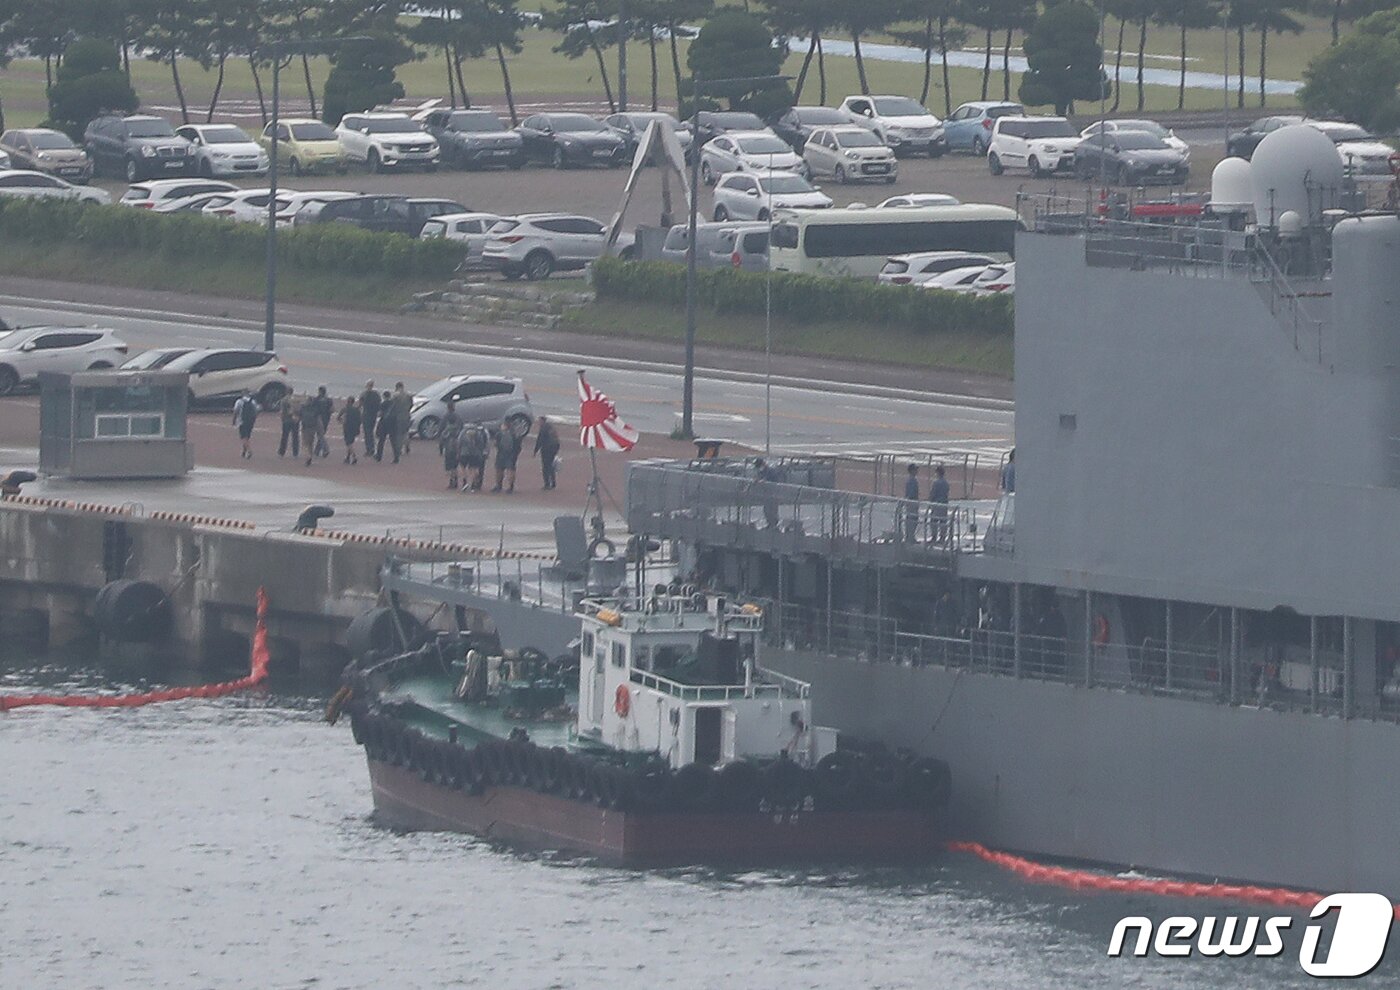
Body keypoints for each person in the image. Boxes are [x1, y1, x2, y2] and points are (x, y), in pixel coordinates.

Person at [490, 420, 521, 493]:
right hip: (512, 454)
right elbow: (518, 446)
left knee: (499, 470)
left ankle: (498, 485)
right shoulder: (515, 434)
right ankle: (510, 486)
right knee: (511, 470)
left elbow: (495, 444)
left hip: (501, 454)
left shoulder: (499, 434)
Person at [439, 400, 464, 489]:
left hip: (448, 445)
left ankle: (452, 481)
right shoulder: (458, 418)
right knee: (455, 464)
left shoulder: (445, 417)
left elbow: (441, 432)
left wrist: (440, 448)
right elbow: (462, 430)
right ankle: (456, 481)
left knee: (449, 464)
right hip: (457, 444)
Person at [458, 421, 488, 491]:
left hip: (464, 453)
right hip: (475, 453)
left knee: (462, 467)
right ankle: (473, 484)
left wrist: (459, 452)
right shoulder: (478, 433)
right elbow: (482, 444)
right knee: (474, 469)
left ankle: (465, 481)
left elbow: (459, 442)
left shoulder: (463, 432)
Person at [533, 416, 560, 490]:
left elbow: (540, 440)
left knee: (545, 466)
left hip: (547, 449)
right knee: (550, 465)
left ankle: (547, 484)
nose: (538, 423)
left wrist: (535, 450)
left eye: (539, 421)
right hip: (554, 447)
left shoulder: (543, 428)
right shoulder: (551, 427)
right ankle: (553, 482)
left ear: (542, 421)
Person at [232, 391, 260, 459]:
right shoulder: (252, 401)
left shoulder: (239, 401)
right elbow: (257, 410)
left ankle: (249, 450)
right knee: (247, 436)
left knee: (243, 437)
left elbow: (235, 411)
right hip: (250, 422)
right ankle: (244, 451)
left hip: (242, 421)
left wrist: (234, 420)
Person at [754, 457, 780, 529]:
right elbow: (759, 479)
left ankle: (774, 524)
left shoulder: (770, 470)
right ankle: (769, 523)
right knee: (766, 510)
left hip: (773, 493)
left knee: (773, 509)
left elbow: (773, 480)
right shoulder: (760, 472)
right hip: (766, 494)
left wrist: (764, 481)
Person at [928, 464, 950, 546]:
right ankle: (942, 537)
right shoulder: (946, 483)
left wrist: (930, 501)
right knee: (943, 521)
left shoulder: (936, 483)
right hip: (944, 504)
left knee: (933, 521)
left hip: (937, 504)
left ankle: (934, 537)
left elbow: (933, 493)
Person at [375, 390, 398, 463]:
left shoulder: (383, 404)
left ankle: (379, 456)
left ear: (384, 396)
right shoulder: (393, 403)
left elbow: (379, 414)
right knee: (393, 440)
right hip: (392, 423)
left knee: (381, 440)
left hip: (384, 423)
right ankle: (396, 457)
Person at [359, 381, 380, 457]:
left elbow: (360, 404)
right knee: (371, 432)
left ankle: (369, 449)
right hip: (373, 415)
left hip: (366, 415)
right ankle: (372, 448)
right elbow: (379, 404)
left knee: (367, 433)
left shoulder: (364, 394)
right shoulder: (376, 394)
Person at [391, 382, 413, 458]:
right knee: (406, 432)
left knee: (399, 433)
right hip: (407, 415)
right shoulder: (408, 395)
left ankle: (399, 449)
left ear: (397, 387)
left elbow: (393, 406)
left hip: (399, 416)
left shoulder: (395, 396)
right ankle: (407, 446)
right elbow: (411, 405)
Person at [338, 395, 362, 465]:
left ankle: (354, 456)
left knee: (348, 443)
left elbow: (338, 417)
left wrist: (342, 421)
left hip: (347, 427)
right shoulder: (357, 410)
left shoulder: (345, 409)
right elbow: (360, 420)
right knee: (350, 442)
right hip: (354, 428)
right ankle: (347, 457)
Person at [277, 392, 300, 459]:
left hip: (286, 420)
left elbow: (282, 411)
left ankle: (282, 452)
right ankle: (295, 453)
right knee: (295, 437)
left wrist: (282, 419)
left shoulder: (284, 400)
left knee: (284, 437)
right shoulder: (296, 399)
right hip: (295, 421)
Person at [312, 386, 332, 459]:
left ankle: (325, 449)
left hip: (318, 418)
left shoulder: (316, 399)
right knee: (321, 434)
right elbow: (331, 410)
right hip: (326, 419)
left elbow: (313, 408)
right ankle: (317, 451)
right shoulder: (329, 400)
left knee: (320, 435)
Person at [300, 394, 321, 467]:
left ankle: (308, 456)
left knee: (305, 444)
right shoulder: (315, 409)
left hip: (305, 427)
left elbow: (299, 415)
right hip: (313, 428)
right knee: (311, 443)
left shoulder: (303, 408)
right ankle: (310, 456)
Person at [902, 463, 920, 542]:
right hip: (912, 501)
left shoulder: (911, 480)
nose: (917, 471)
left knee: (912, 519)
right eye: (915, 469)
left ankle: (910, 536)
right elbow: (911, 493)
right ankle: (910, 536)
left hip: (912, 501)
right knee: (912, 519)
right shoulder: (912, 480)